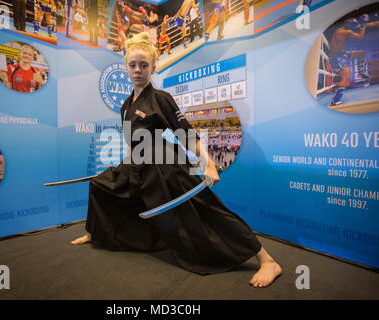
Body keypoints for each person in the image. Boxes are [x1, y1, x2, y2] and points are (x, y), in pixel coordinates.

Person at [71, 32, 282, 287]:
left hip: (166, 166)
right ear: (125, 67)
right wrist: (124, 166)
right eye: (133, 65)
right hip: (138, 164)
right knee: (101, 185)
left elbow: (187, 136)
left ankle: (267, 260)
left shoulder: (161, 99)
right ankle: (96, 233)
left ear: (153, 67)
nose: (138, 70)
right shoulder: (125, 105)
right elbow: (134, 143)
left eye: (144, 65)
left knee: (206, 209)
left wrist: (209, 164)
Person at [329, 14, 378, 106]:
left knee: (361, 54)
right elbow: (360, 37)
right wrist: (363, 25)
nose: (354, 29)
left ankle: (361, 73)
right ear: (350, 27)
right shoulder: (346, 32)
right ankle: (335, 102)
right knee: (345, 78)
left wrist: (369, 24)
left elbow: (361, 27)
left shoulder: (340, 30)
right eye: (353, 27)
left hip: (342, 55)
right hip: (338, 58)